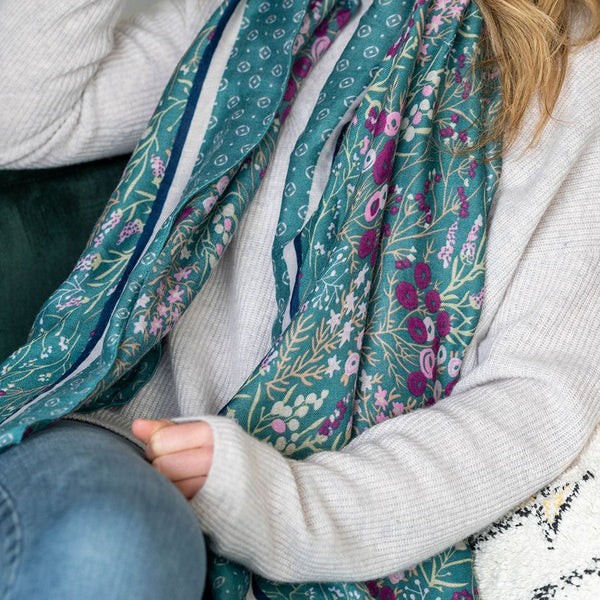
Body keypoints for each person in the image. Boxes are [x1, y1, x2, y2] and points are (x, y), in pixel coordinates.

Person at [0, 0, 599, 598]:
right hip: (113, 445)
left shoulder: (579, 72)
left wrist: (284, 507)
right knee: (114, 551)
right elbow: (22, 119)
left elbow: (532, 401)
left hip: (335, 516)